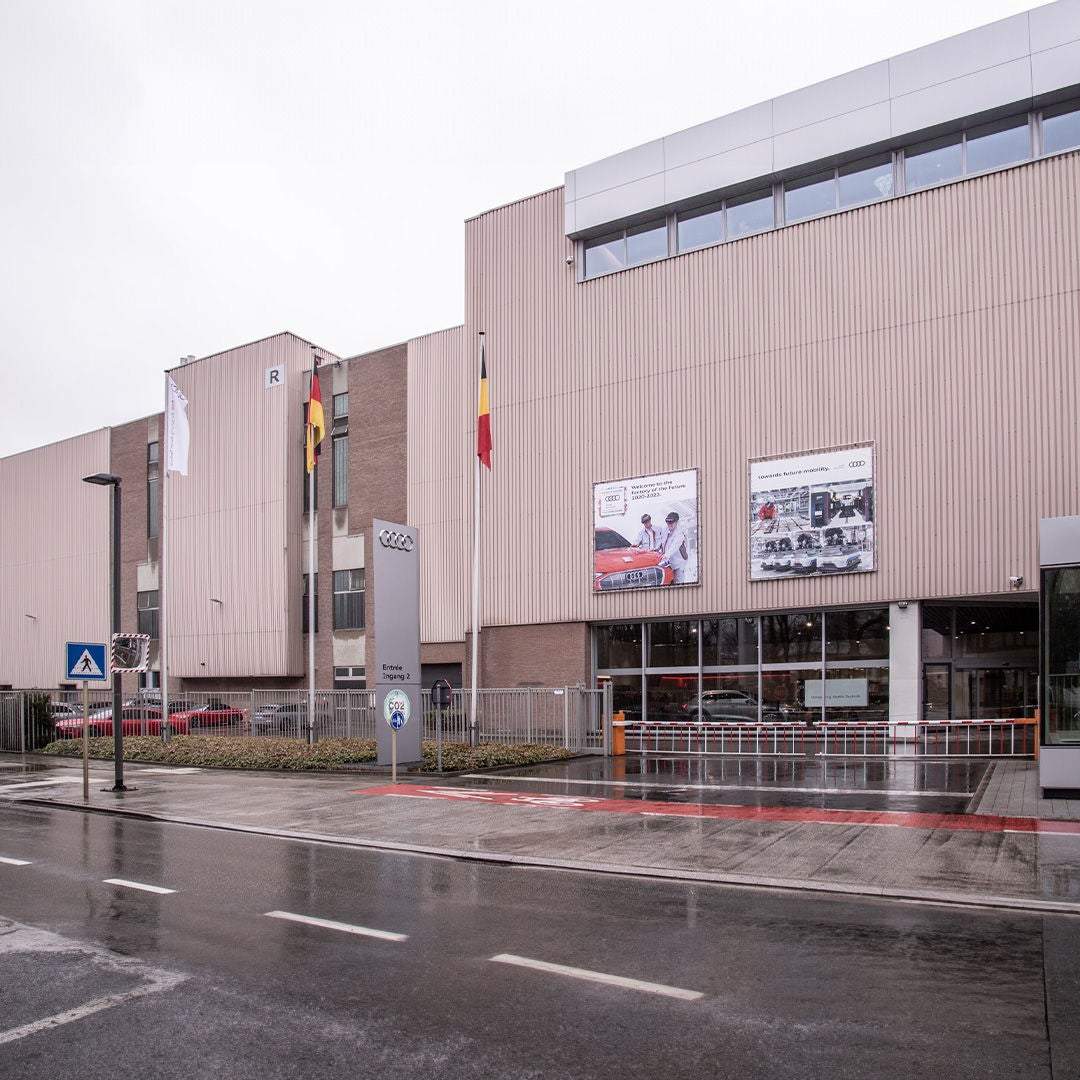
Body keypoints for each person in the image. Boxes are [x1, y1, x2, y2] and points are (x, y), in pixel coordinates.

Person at [658, 511, 691, 583]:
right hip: (668, 564)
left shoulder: (680, 533)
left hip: (679, 563)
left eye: (671, 522)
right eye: (667, 522)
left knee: (678, 583)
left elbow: (674, 546)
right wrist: (656, 549)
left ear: (676, 522)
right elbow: (662, 542)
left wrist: (666, 556)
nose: (669, 524)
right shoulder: (665, 530)